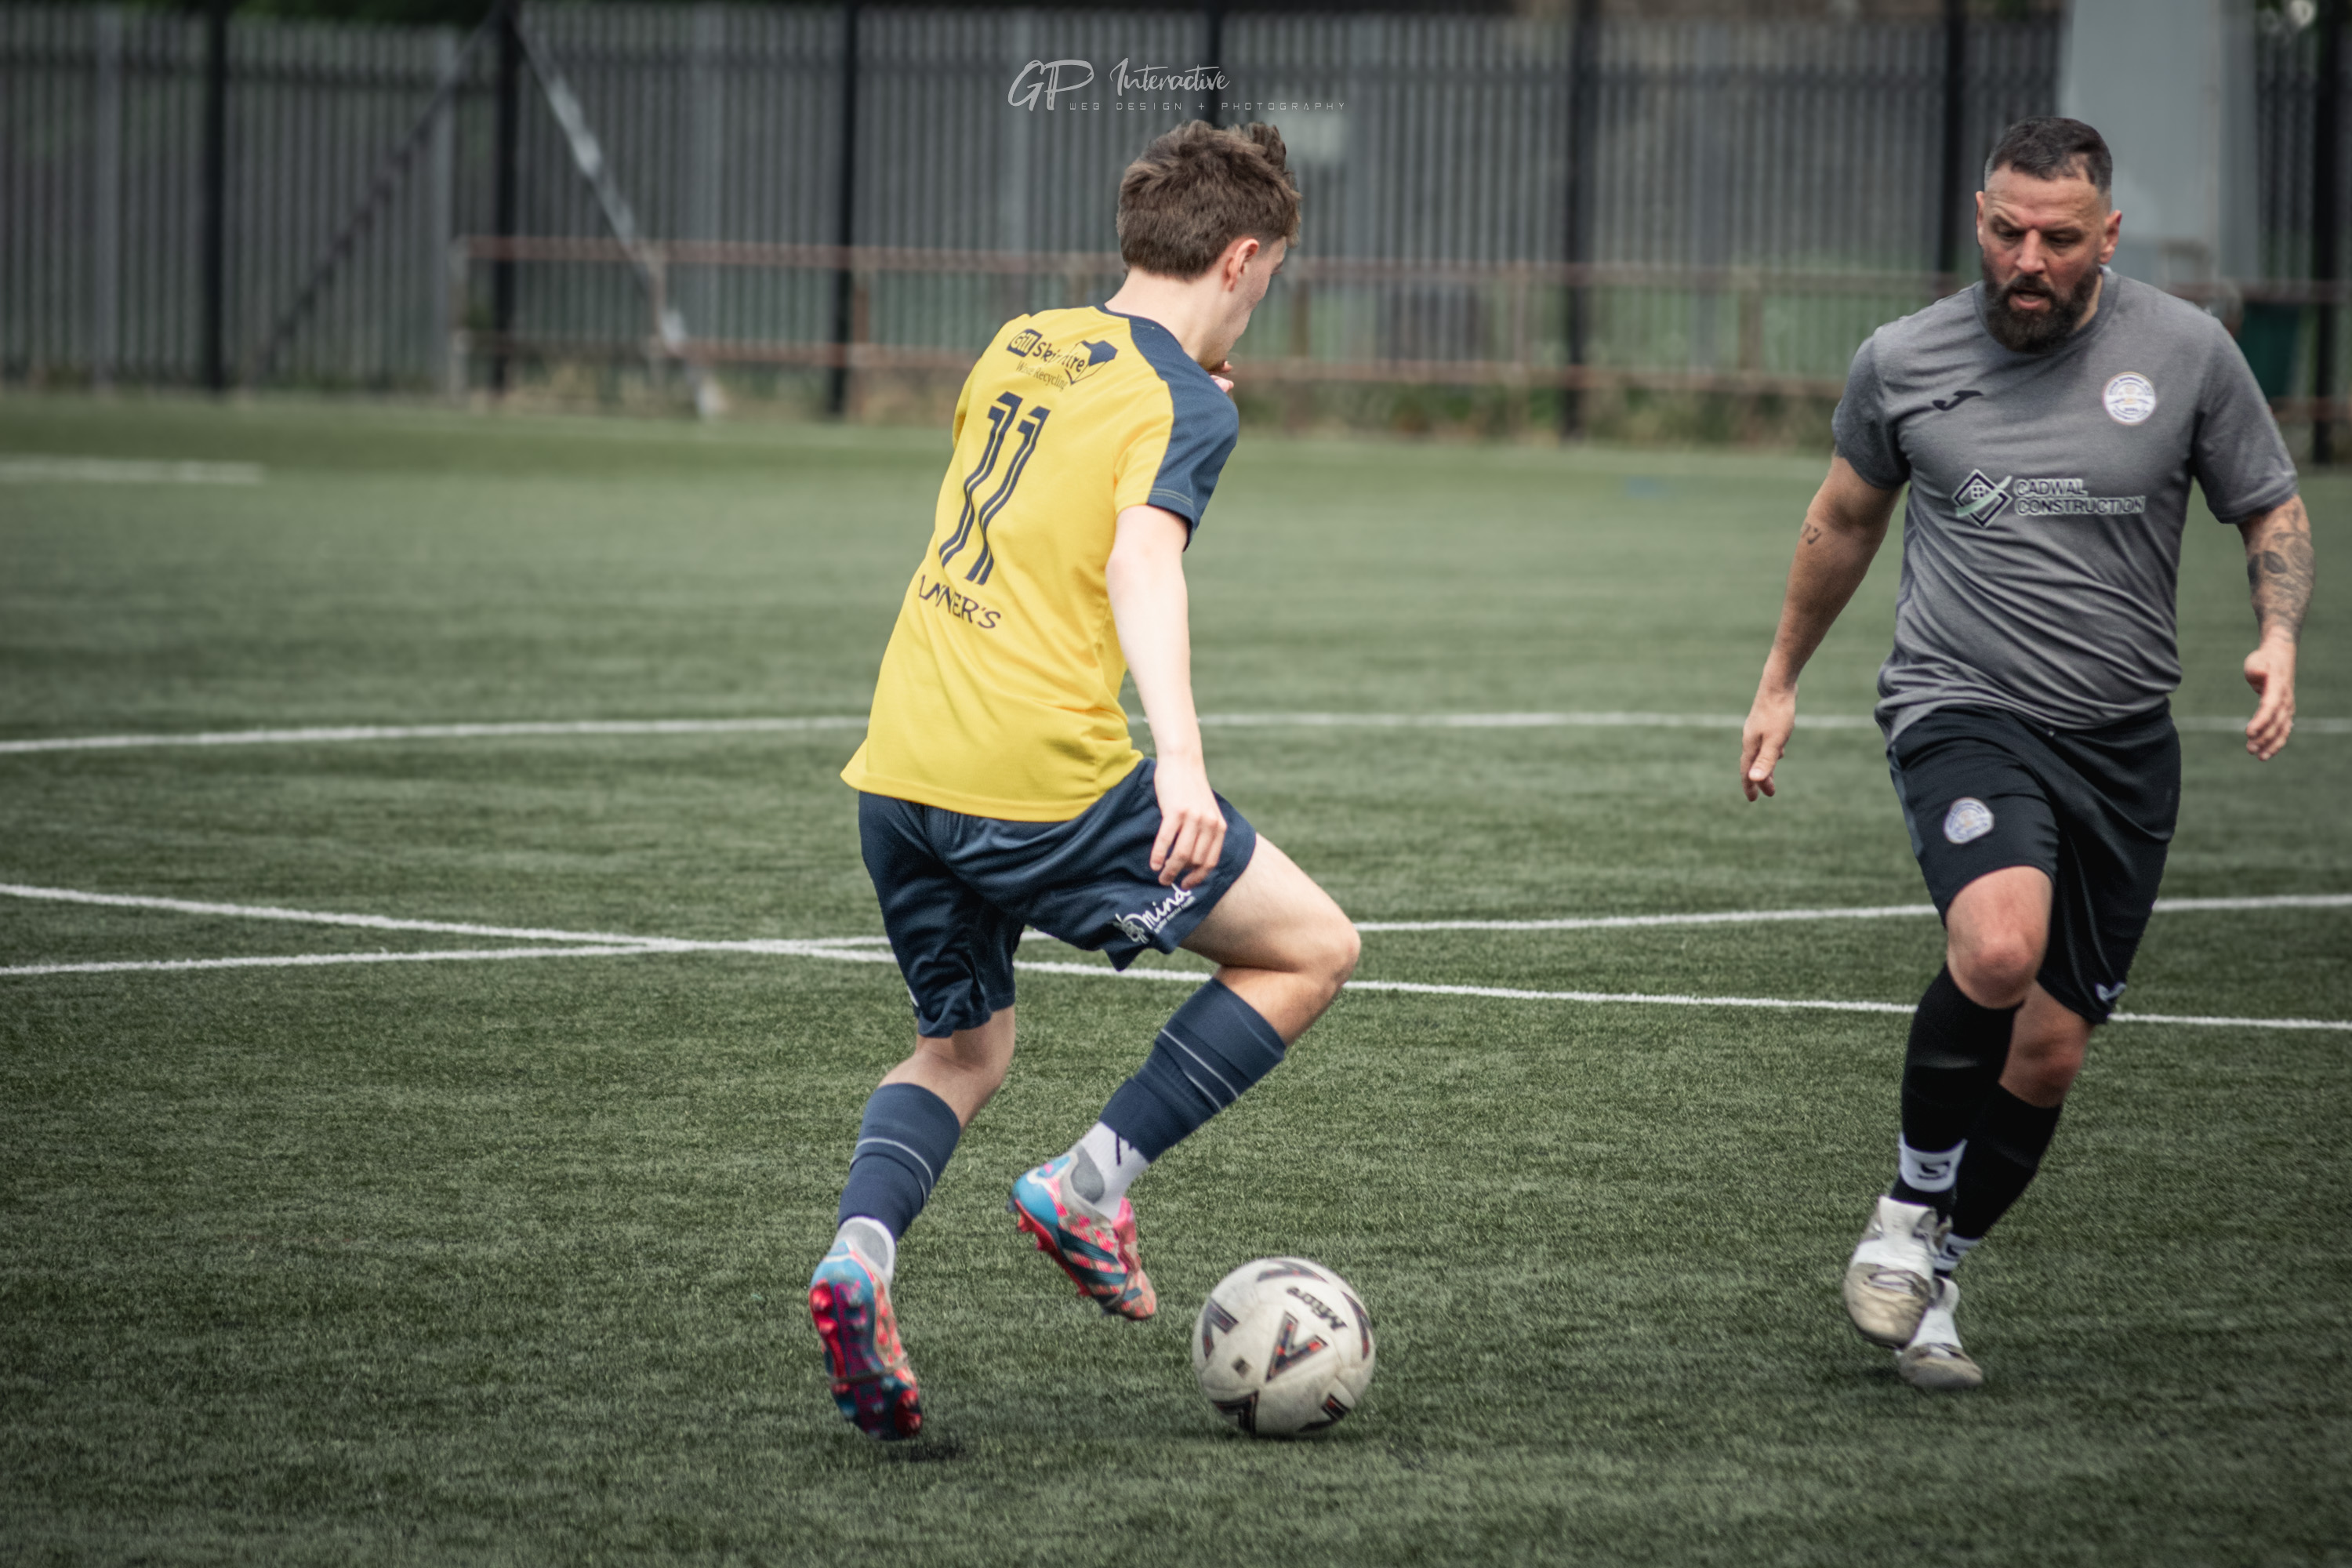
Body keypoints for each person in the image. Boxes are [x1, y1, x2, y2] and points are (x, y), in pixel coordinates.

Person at [805, 121, 1360, 1441]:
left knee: (964, 1046)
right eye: (1271, 274)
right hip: (1034, 771)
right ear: (1240, 258)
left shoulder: (1022, 338)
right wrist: (1181, 758)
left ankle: (859, 1259)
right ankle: (1090, 1185)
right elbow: (1140, 561)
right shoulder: (1193, 400)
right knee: (1310, 950)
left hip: (902, 759)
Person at [1739, 116, 2313, 1391]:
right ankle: (1903, 1206)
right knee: (1997, 946)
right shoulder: (1905, 361)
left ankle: (1940, 1267)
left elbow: (2268, 503)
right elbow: (1842, 519)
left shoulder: (2187, 354)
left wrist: (2277, 632)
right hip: (1962, 708)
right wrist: (1781, 679)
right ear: (1980, 221)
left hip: (2122, 741)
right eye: (2008, 231)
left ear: (2107, 236)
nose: (2029, 259)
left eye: (2059, 237)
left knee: (2049, 1051)